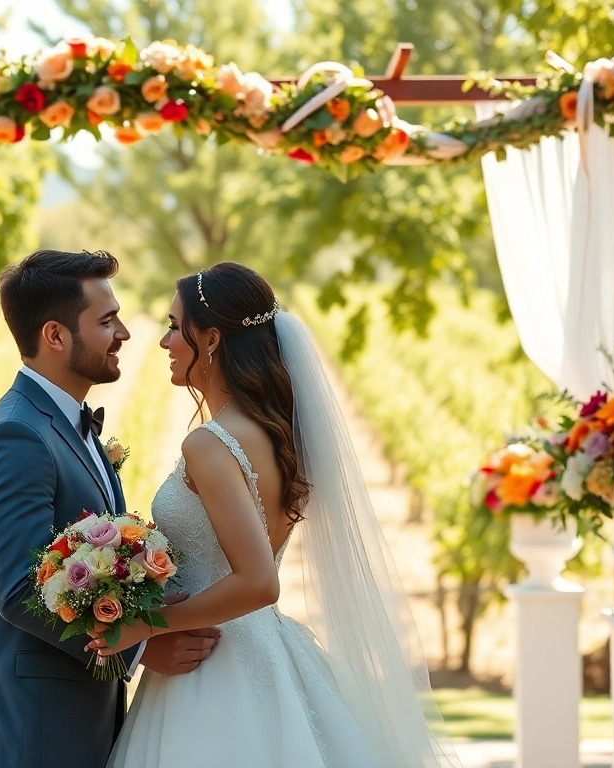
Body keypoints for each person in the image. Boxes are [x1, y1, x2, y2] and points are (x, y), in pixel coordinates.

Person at [95, 262, 461, 767]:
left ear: (213, 338)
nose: (164, 341)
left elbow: (259, 583)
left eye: (176, 327)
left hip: (213, 666)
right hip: (264, 650)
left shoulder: (209, 443)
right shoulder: (275, 434)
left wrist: (145, 625)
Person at [0, 249, 221, 768]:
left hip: (72, 720)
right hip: (34, 727)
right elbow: (17, 588)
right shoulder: (16, 435)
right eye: (106, 320)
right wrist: (137, 647)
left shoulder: (62, 424)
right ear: (55, 336)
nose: (123, 333)